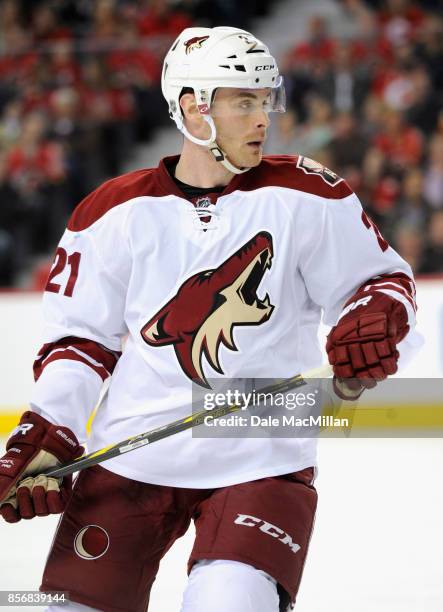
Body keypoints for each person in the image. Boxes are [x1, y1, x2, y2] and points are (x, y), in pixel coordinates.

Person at [0, 26, 418, 612]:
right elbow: (80, 342)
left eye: (265, 101)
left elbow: (383, 282)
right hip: (132, 458)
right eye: (243, 101)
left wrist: (371, 322)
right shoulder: (112, 211)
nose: (261, 118)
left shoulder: (308, 193)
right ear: (195, 108)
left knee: (228, 603)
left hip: (263, 461)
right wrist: (50, 431)